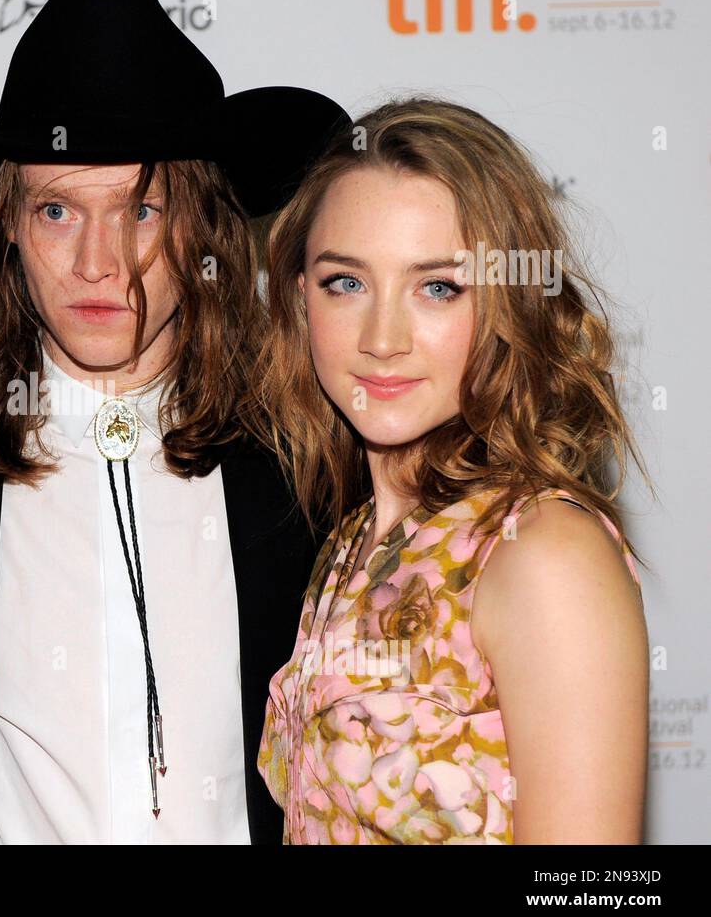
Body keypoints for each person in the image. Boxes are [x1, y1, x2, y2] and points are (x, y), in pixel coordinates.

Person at [0, 0, 349, 843]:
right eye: (57, 209)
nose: (98, 263)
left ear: (203, 231)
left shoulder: (311, 465)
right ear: (6, 226)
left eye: (141, 208)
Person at [252, 96, 650, 843]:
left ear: (509, 302)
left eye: (438, 287)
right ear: (300, 298)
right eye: (347, 282)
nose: (383, 338)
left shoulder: (542, 556)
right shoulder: (346, 548)